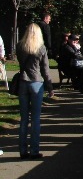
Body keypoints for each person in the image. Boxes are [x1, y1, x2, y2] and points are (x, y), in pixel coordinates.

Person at [16, 23, 54, 158]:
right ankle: (34, 150)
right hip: (36, 82)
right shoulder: (41, 48)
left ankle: (22, 150)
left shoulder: (20, 46)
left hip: (23, 82)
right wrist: (50, 87)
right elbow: (45, 70)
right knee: (36, 119)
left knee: (24, 119)